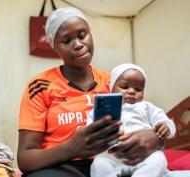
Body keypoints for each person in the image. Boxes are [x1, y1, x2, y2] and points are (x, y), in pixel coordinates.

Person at [17, 7, 163, 177]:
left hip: (115, 162)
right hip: (63, 167)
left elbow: (145, 117)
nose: (78, 45)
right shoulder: (40, 86)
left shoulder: (115, 83)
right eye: (66, 40)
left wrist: (155, 139)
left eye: (82, 35)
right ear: (55, 48)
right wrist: (71, 148)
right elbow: (25, 158)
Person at [89, 63, 176, 177]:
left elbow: (167, 122)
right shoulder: (105, 107)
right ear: (111, 88)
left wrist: (166, 126)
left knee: (159, 159)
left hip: (145, 156)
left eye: (138, 89)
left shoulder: (147, 107)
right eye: (124, 87)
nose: (131, 91)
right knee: (99, 163)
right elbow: (90, 128)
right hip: (114, 156)